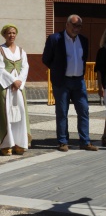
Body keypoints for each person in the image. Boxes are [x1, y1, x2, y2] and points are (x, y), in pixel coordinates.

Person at [42, 15, 97, 152]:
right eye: (74, 25)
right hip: (62, 82)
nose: (76, 28)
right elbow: (46, 59)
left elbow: (83, 59)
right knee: (62, 112)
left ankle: (85, 141)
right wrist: (57, 71)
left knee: (84, 111)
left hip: (79, 81)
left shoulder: (83, 40)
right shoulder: (55, 39)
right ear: (67, 25)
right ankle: (62, 141)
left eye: (79, 26)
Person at [0, 24, 31, 156]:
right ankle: (6, 144)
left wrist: (19, 82)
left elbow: (25, 67)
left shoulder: (21, 50)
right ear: (4, 35)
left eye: (13, 33)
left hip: (18, 87)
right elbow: (0, 68)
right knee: (6, 114)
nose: (11, 35)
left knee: (20, 114)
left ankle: (19, 143)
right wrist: (12, 81)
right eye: (9, 33)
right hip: (5, 86)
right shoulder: (1, 50)